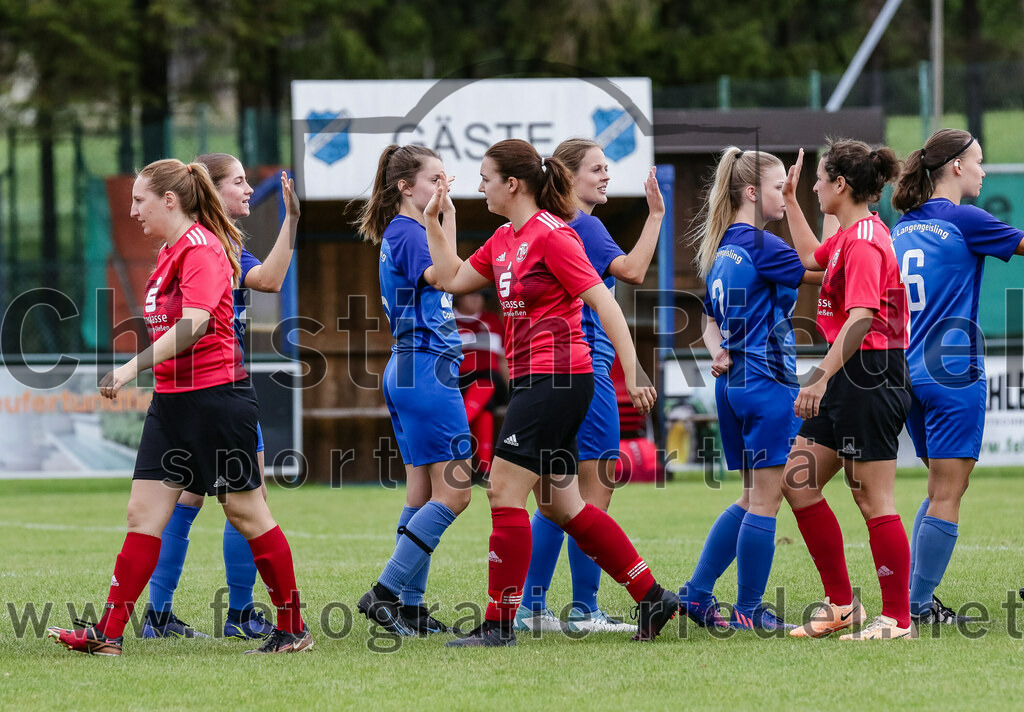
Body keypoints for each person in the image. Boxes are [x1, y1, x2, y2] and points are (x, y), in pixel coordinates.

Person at [46, 159, 311, 655]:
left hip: (215, 401)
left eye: (139, 200)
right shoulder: (171, 251)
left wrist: (130, 368)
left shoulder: (203, 248)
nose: (132, 211)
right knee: (143, 514)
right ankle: (109, 634)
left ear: (169, 200)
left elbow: (195, 324)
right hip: (171, 404)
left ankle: (293, 628)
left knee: (247, 513)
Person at [423, 138, 678, 647]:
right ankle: (652, 597)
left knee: (502, 490)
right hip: (536, 382)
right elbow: (449, 278)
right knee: (563, 506)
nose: (479, 187)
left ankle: (499, 624)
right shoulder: (503, 239)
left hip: (558, 379)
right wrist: (435, 219)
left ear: (512, 184)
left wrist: (633, 371)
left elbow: (606, 303)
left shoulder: (553, 235)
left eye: (486, 179)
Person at [138, 153, 300, 641]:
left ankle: (160, 616)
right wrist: (292, 222)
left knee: (184, 500)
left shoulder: (202, 242)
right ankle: (241, 613)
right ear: (211, 187)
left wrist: (291, 222)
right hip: (216, 387)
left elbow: (265, 281)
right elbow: (268, 282)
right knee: (247, 500)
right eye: (239, 182)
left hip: (192, 389)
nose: (249, 190)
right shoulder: (211, 245)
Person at [514, 138, 664, 635]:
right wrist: (655, 216)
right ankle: (583, 609)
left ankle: (530, 606)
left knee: (555, 499)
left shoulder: (543, 227)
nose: (606, 176)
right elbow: (634, 272)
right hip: (589, 376)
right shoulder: (584, 225)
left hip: (549, 375)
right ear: (569, 176)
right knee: (590, 498)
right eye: (597, 169)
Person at [677, 147, 822, 632]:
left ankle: (697, 593)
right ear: (752, 193)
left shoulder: (724, 248)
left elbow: (708, 319)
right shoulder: (763, 245)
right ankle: (749, 609)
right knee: (766, 501)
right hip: (767, 382)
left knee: (749, 497)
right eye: (781, 187)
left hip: (733, 385)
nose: (787, 194)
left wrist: (718, 349)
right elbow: (825, 268)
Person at [778, 140, 913, 641]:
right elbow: (809, 256)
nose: (814, 187)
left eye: (818, 180)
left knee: (873, 499)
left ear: (840, 184)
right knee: (798, 480)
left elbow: (861, 319)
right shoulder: (847, 236)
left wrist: (819, 377)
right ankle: (842, 607)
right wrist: (790, 200)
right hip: (849, 371)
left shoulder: (864, 242)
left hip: (871, 373)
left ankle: (897, 621)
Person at [891, 129, 1024, 624]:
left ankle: (913, 599)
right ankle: (916, 606)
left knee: (939, 488)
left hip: (907, 373)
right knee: (948, 492)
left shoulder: (902, 226)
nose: (984, 171)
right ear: (956, 167)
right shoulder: (965, 219)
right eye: (979, 162)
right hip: (953, 372)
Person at [354, 144, 474, 636]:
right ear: (406, 187)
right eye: (434, 179)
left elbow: (449, 272)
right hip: (425, 369)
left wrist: (445, 217)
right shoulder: (408, 232)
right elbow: (450, 277)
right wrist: (438, 220)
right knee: (458, 493)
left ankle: (411, 607)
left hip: (412, 367)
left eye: (446, 178)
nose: (443, 186)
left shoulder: (411, 231)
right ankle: (384, 594)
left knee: (423, 492)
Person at [453, 291, 507, 481]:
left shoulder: (492, 321)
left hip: (490, 379)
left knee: (486, 381)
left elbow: (503, 359)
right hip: (458, 381)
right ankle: (485, 470)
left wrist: (515, 390)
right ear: (458, 297)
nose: (477, 299)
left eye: (481, 296)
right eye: (471, 295)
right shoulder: (449, 321)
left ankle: (458, 427)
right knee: (485, 407)